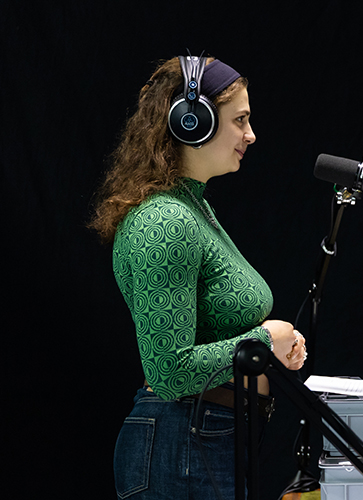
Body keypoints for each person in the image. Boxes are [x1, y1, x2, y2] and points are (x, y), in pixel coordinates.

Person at [90, 55, 306, 499]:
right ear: (192, 122)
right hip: (181, 449)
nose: (251, 134)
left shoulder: (193, 207)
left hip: (204, 441)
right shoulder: (163, 221)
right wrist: (264, 341)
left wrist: (269, 347)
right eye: (240, 120)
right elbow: (169, 371)